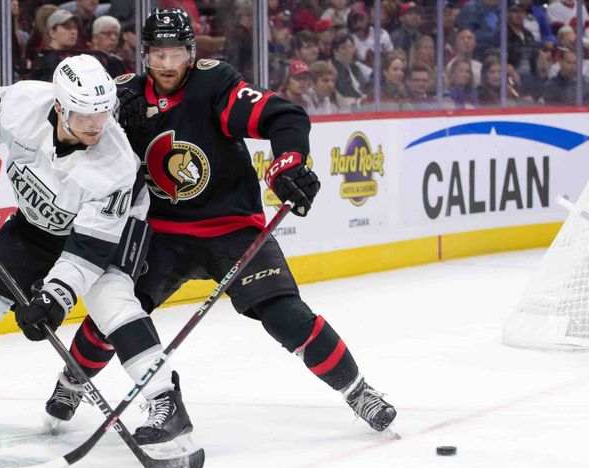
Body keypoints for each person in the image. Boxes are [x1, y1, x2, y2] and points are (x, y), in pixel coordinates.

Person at [47, 8, 398, 446]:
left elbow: (284, 116)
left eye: (177, 54)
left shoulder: (215, 84)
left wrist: (289, 163)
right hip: (159, 234)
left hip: (231, 229)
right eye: (159, 55)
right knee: (114, 312)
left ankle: (358, 390)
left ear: (192, 54)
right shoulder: (120, 99)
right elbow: (72, 141)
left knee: (285, 315)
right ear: (144, 56)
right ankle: (73, 380)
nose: (169, 65)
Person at [0, 55, 191, 448]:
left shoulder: (115, 163)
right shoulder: (21, 103)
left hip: (109, 233)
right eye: (84, 115)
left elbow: (87, 250)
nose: (97, 125)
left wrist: (53, 298)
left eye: (103, 112)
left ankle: (164, 399)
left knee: (111, 301)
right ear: (60, 106)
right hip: (36, 223)